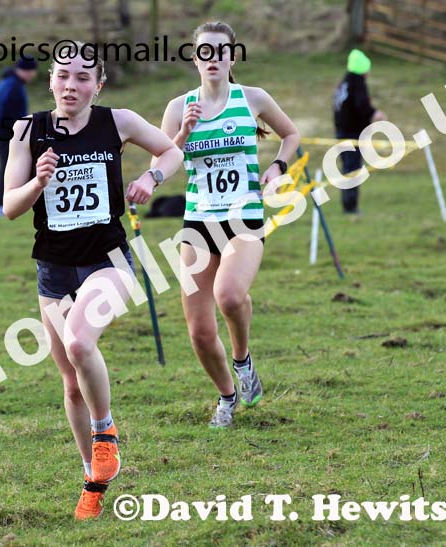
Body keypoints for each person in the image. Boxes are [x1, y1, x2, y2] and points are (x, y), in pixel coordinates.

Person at [2, 43, 183, 519]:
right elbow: (9, 206)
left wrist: (151, 179)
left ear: (98, 85)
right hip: (53, 269)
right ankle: (93, 479)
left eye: (84, 77)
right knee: (70, 383)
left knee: (80, 343)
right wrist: (38, 182)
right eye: (63, 76)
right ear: (50, 81)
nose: (71, 85)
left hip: (108, 261)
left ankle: (107, 435)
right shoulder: (28, 131)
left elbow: (170, 151)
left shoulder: (117, 122)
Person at [155, 21, 300, 429]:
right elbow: (160, 165)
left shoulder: (252, 99)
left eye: (220, 50)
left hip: (243, 217)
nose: (213, 57)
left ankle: (243, 360)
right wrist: (182, 133)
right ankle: (227, 398)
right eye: (205, 50)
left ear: (232, 57)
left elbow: (290, 134)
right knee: (199, 332)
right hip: (199, 223)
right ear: (195, 57)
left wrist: (277, 167)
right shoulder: (177, 107)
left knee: (230, 295)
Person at [332, 49, 386, 214]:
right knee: (353, 169)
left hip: (341, 132)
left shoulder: (345, 82)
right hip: (352, 134)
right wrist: (374, 113)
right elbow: (361, 104)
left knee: (347, 168)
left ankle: (348, 204)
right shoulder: (357, 82)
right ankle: (350, 207)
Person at [0, 56, 38, 214]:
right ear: (26, 70)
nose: (33, 75)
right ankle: (1, 202)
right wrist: (14, 130)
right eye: (32, 71)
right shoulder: (13, 86)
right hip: (5, 132)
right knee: (9, 166)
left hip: (2, 130)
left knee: (7, 164)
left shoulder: (8, 82)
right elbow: (5, 111)